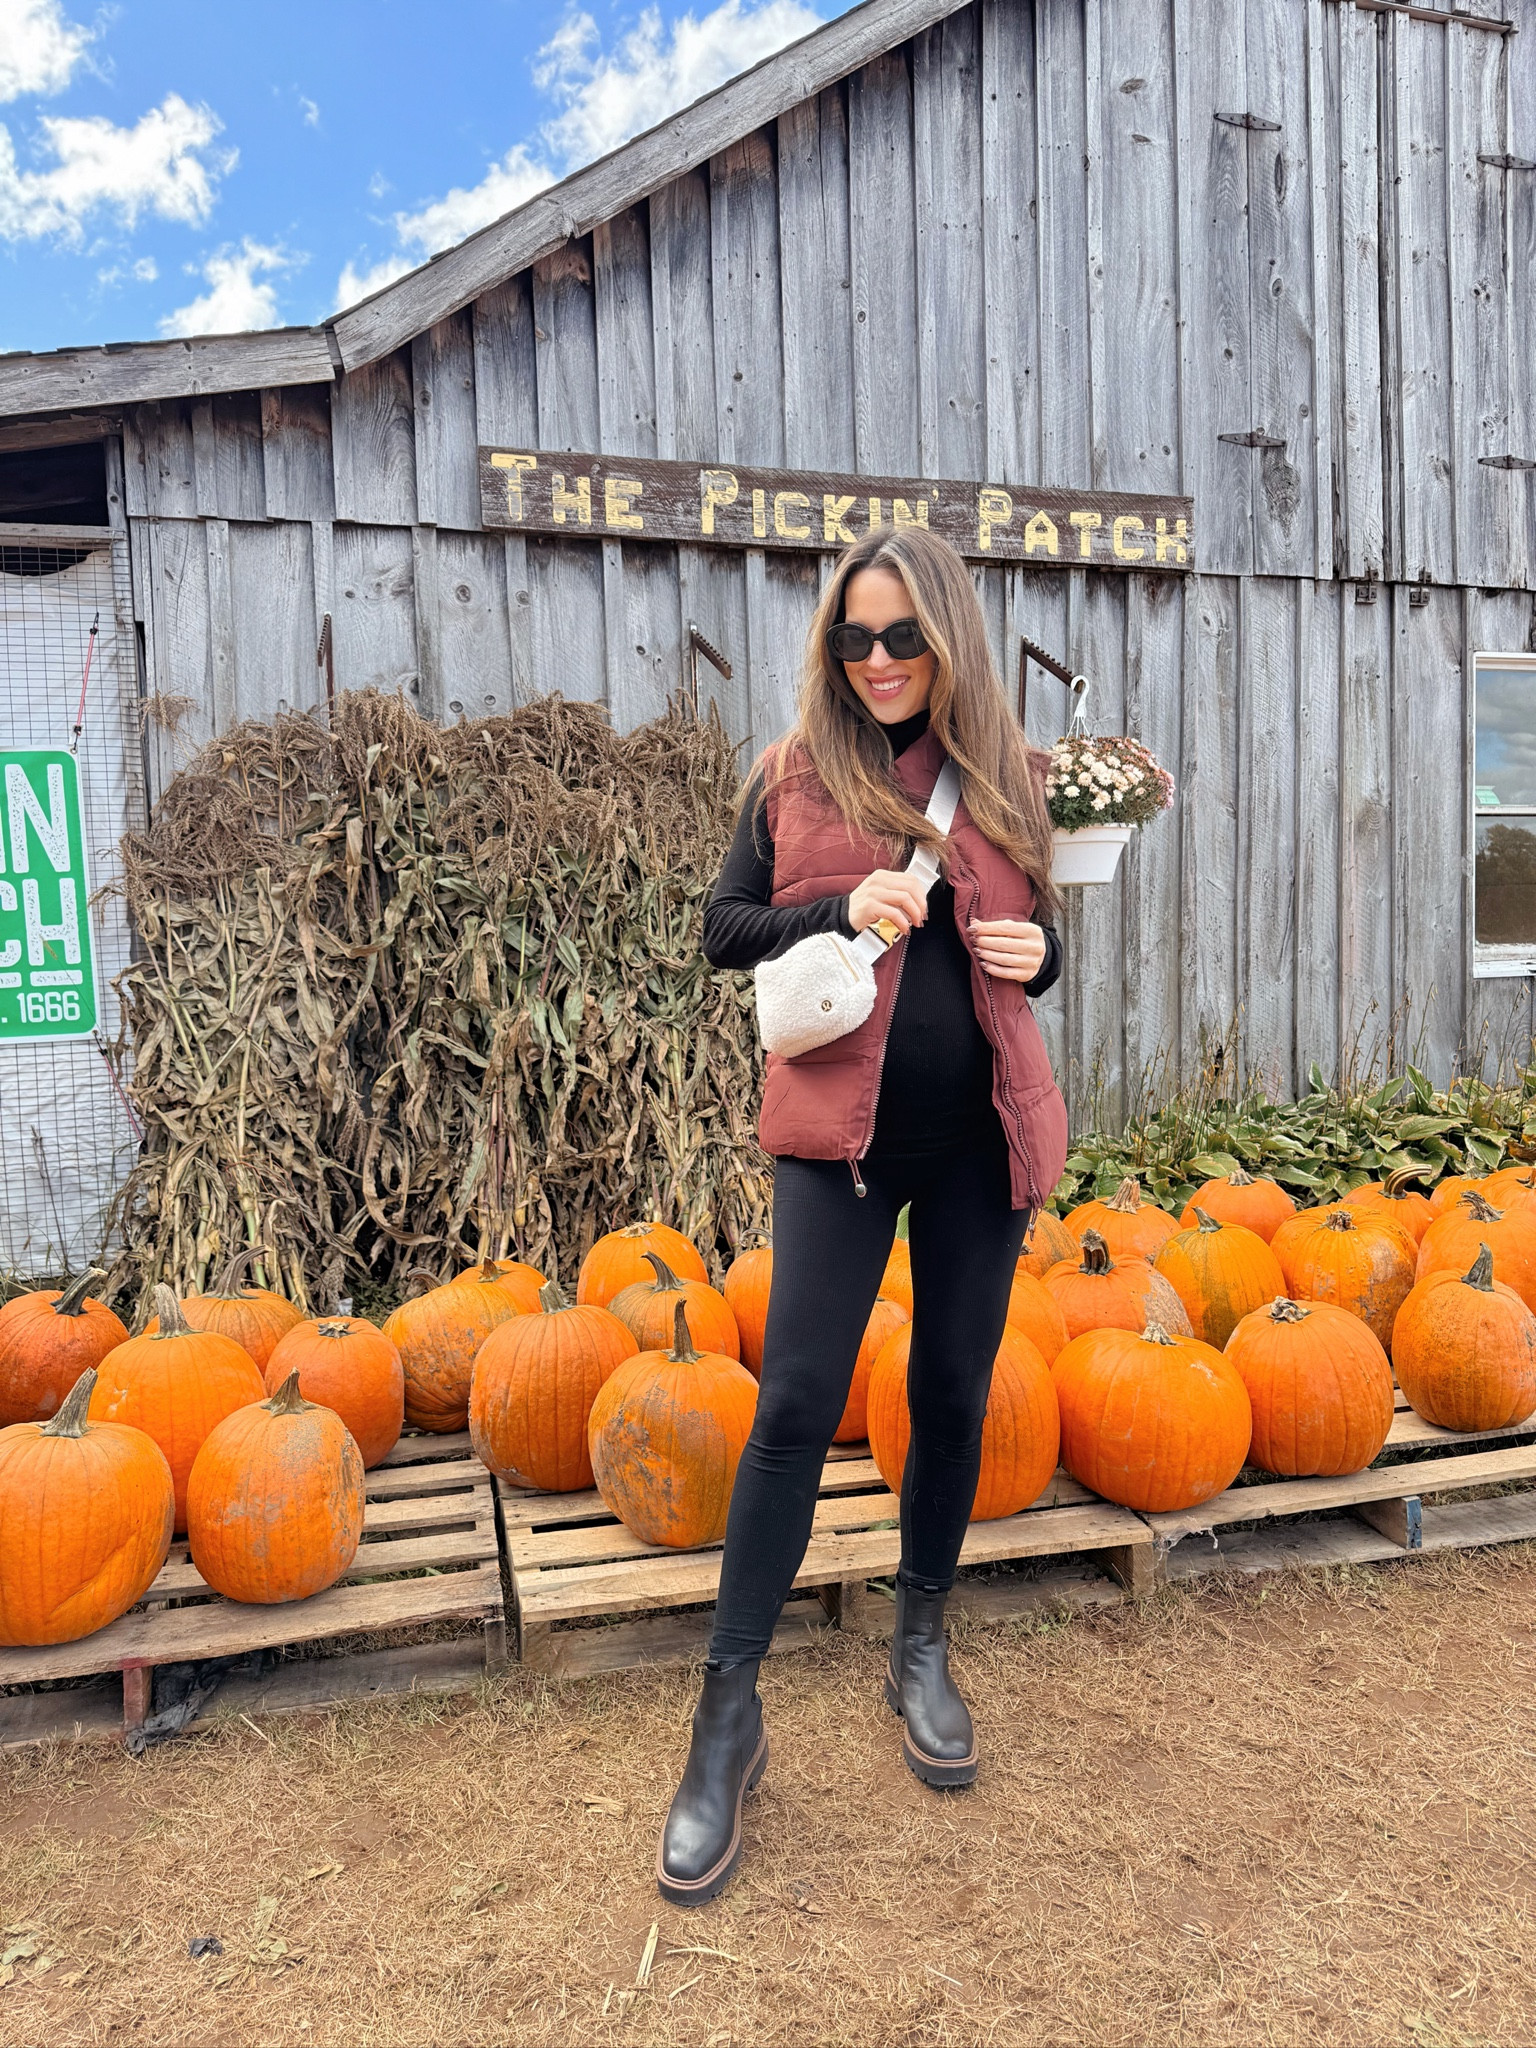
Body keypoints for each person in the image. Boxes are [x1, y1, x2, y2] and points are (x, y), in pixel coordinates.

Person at [656, 523, 1069, 1907]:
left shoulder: (1009, 779)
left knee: (951, 1390)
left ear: (946, 640)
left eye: (902, 638)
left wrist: (1042, 954)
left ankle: (921, 1646)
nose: (877, 661)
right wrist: (841, 902)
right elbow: (723, 930)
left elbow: (1038, 948)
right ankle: (728, 1715)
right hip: (841, 1140)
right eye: (855, 637)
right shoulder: (791, 773)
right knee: (792, 1405)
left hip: (980, 1142)